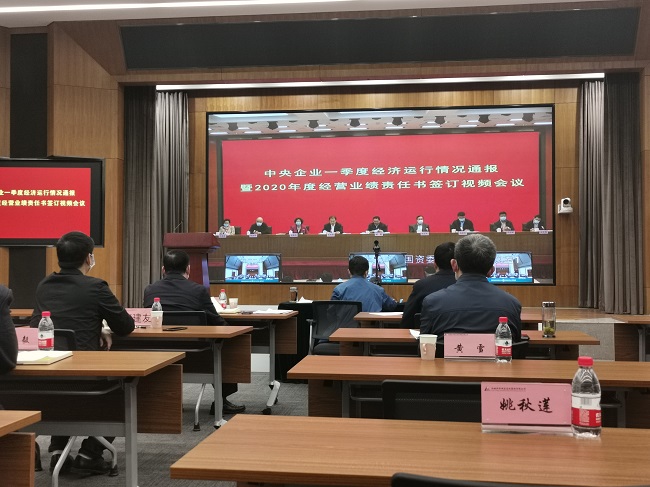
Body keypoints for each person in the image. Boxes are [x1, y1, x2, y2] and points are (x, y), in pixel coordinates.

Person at [29, 231, 135, 476]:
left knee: (62, 391)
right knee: (126, 392)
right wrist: (102, 327)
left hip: (44, 377)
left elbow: (41, 324)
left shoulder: (43, 285)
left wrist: (95, 326)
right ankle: (90, 454)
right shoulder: (96, 287)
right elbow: (125, 326)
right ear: (89, 258)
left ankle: (58, 452)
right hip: (85, 380)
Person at [143, 249, 245, 414]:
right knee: (227, 346)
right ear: (188, 269)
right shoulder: (198, 290)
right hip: (197, 355)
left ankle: (165, 401)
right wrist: (233, 330)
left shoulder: (150, 290)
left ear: (163, 269)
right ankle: (221, 401)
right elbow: (216, 321)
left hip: (158, 353)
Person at [420, 234, 522, 343]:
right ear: (491, 271)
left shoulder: (432, 302)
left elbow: (424, 347)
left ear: (454, 265)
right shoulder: (512, 304)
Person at [400, 242, 456, 328]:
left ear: (434, 263)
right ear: (456, 263)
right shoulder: (465, 285)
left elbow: (407, 320)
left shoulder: (421, 285)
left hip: (428, 334)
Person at [331, 256, 397, 312]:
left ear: (349, 271)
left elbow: (331, 313)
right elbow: (391, 306)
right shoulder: (378, 290)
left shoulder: (338, 290)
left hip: (346, 323)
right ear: (366, 272)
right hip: (371, 323)